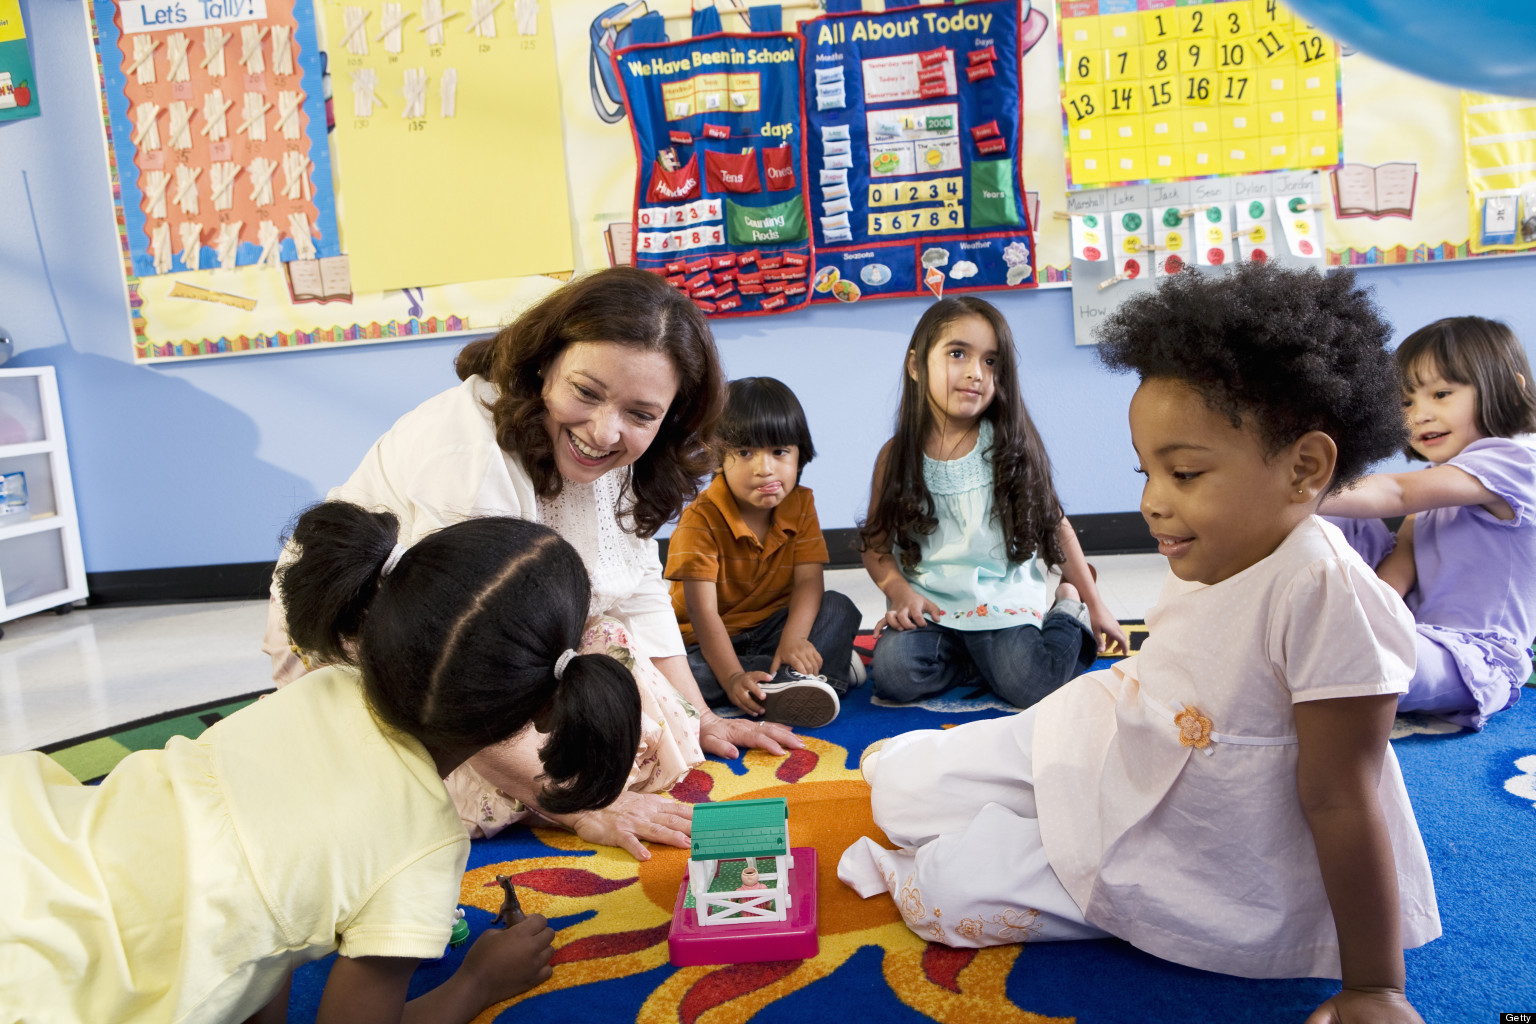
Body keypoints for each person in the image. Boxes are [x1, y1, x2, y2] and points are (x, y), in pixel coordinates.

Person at [839, 264, 1441, 1024]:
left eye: (1184, 472)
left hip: (1190, 834)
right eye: (1147, 470)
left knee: (947, 893)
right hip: (1113, 733)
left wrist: (1375, 988)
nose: (1153, 502)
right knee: (897, 791)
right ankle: (1034, 818)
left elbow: (1342, 797)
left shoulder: (1325, 591)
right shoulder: (1213, 544)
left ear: (1305, 468)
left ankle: (1039, 839)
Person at [1, 502, 642, 1024]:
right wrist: (478, 981)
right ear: (546, 709)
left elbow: (256, 882)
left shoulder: (318, 688)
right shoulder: (420, 851)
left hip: (35, 845)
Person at [260, 268, 800, 860]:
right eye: (586, 393)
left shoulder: (623, 449)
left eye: (641, 414)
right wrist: (582, 806)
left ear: (670, 416)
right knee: (431, 791)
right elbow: (445, 659)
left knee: (627, 688)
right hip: (385, 653)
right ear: (544, 361)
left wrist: (699, 716)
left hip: (497, 636)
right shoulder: (471, 459)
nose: (603, 431)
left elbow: (639, 585)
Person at [857, 296, 1126, 708]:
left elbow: (1055, 525)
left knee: (1032, 686)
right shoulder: (894, 456)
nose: (975, 373)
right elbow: (876, 545)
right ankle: (977, 663)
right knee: (893, 673)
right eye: (957, 353)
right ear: (915, 366)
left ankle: (1065, 608)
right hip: (934, 611)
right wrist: (899, 592)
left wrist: (1094, 604)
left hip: (1002, 606)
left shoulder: (1009, 447)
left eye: (990, 362)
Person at [1322, 316, 1536, 730]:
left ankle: (1336, 658)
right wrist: (1367, 615)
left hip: (1476, 656)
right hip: (1413, 631)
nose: (1419, 415)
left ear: (1511, 389)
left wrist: (1286, 495)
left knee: (1367, 666)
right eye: (1406, 403)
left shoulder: (1518, 461)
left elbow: (1398, 493)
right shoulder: (1441, 490)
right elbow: (1398, 570)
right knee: (1337, 513)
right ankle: (1328, 636)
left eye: (1441, 394)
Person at [665, 376, 862, 728]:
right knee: (676, 674)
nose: (765, 468)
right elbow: (703, 612)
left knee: (839, 607)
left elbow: (807, 583)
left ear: (801, 453)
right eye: (745, 452)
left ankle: (785, 674)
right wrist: (731, 677)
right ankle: (798, 676)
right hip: (707, 640)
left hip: (773, 627)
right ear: (718, 457)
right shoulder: (701, 518)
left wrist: (794, 639)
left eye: (779, 451)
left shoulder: (801, 504)